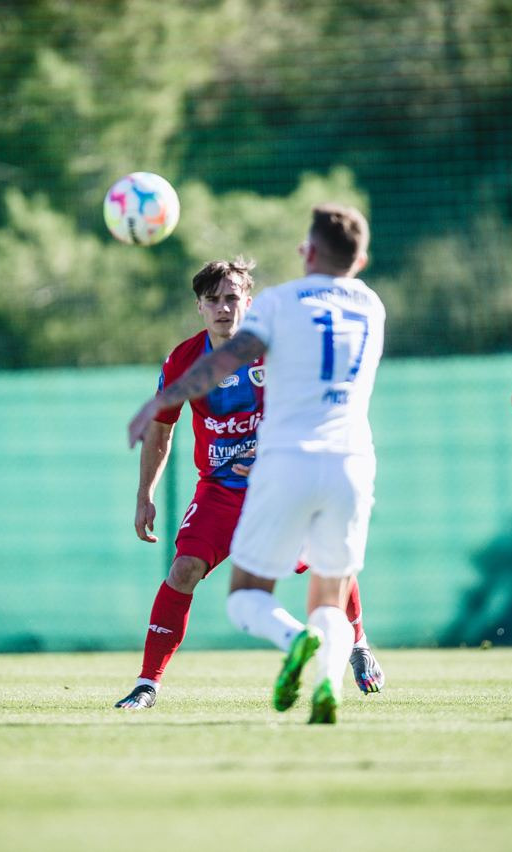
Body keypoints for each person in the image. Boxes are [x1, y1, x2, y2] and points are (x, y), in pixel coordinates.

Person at [129, 204, 386, 724]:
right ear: (200, 307)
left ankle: (350, 643)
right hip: (230, 488)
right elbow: (166, 426)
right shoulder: (368, 305)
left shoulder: (279, 324)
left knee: (265, 591)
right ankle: (146, 682)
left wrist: (159, 402)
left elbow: (229, 363)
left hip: (282, 476)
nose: (224, 308)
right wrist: (145, 493)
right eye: (214, 300)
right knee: (186, 570)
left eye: (233, 298)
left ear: (249, 300)